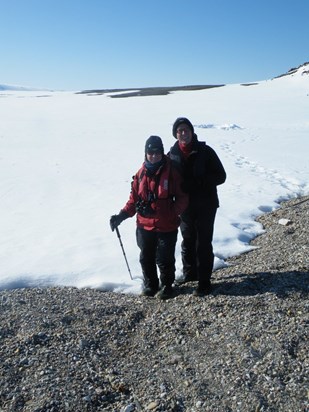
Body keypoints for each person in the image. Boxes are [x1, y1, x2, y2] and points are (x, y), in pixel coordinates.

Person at [110, 135, 188, 300]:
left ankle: (167, 285)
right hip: (144, 225)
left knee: (165, 258)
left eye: (157, 152)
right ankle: (150, 285)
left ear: (162, 152)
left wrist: (171, 212)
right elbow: (133, 200)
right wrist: (121, 216)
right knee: (146, 257)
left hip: (167, 225)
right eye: (150, 153)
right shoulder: (140, 174)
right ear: (145, 154)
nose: (154, 156)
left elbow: (183, 197)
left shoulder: (171, 171)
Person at [169, 117, 226, 296]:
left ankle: (204, 282)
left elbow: (221, 176)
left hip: (206, 204)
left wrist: (199, 182)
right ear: (175, 134)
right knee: (187, 240)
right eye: (180, 131)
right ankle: (190, 273)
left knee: (203, 242)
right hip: (184, 206)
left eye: (186, 130)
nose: (183, 133)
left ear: (192, 132)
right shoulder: (172, 155)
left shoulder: (205, 151)